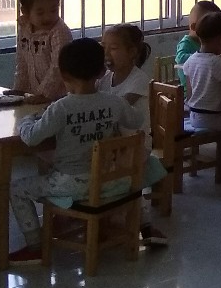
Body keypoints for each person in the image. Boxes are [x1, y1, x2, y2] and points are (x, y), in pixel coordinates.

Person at [8, 38, 147, 265]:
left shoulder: (61, 108)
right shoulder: (114, 102)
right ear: (101, 72)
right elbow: (136, 120)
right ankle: (141, 226)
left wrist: (26, 121)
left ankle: (35, 245)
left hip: (72, 183)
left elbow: (32, 138)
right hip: (112, 181)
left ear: (63, 75)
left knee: (15, 188)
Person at [102, 24, 169, 246]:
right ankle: (104, 217)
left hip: (135, 145)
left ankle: (145, 225)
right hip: (111, 144)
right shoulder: (105, 79)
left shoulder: (139, 79)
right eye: (103, 48)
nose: (107, 54)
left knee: (122, 177)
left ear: (132, 52)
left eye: (113, 48)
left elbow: (118, 110)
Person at [181, 11, 221, 162]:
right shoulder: (214, 62)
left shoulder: (192, 60)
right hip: (212, 117)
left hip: (195, 114)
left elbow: (191, 91)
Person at [15, 0, 72, 102]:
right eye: (40, 13)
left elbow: (58, 67)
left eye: (53, 10)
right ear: (25, 12)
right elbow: (22, 62)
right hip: (34, 97)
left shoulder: (59, 31)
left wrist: (44, 94)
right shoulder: (24, 28)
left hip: (59, 98)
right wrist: (19, 91)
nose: (48, 17)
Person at [176, 0, 221, 90]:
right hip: (190, 90)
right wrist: (202, 56)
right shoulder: (186, 43)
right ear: (193, 27)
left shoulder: (206, 43)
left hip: (205, 85)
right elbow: (180, 58)